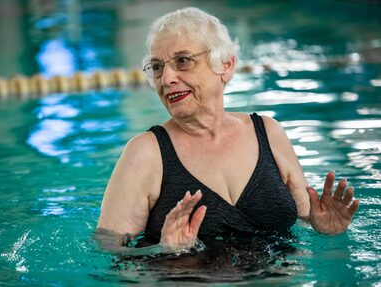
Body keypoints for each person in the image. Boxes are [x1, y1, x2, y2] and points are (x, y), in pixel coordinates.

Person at [95, 7, 359, 251]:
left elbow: (304, 220)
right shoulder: (145, 153)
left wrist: (326, 231)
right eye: (157, 67)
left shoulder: (268, 132)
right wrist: (162, 253)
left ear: (226, 65)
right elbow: (106, 252)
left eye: (183, 60)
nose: (167, 79)